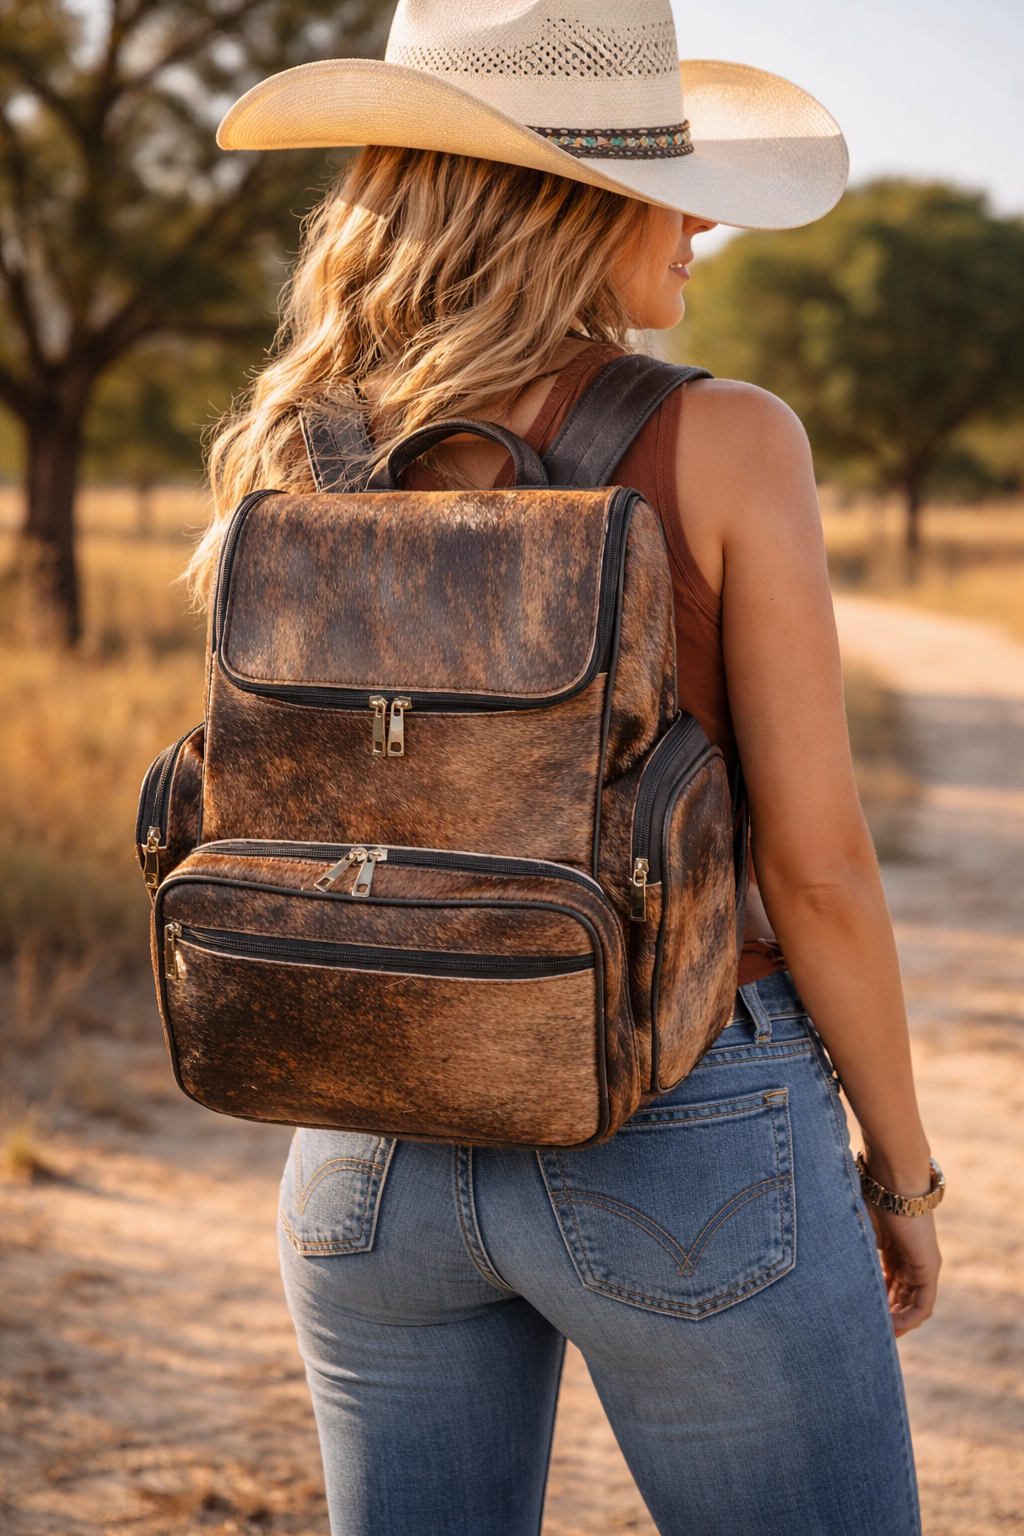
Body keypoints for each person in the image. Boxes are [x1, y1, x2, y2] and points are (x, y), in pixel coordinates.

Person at [192, 4, 942, 1532]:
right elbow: (813, 869)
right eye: (672, 179)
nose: (708, 220)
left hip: (365, 1137)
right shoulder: (725, 438)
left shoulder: (303, 440)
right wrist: (906, 1177)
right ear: (569, 201)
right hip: (679, 1124)